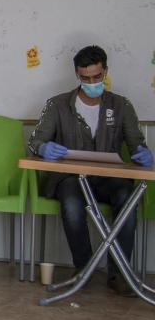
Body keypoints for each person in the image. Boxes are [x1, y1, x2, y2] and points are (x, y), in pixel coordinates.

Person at [28, 45, 152, 296]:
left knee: (126, 200)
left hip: (110, 178)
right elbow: (35, 140)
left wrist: (143, 153)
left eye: (97, 77)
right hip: (70, 178)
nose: (92, 82)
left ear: (105, 71)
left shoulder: (121, 106)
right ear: (77, 74)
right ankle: (83, 268)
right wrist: (43, 148)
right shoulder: (58, 105)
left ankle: (119, 274)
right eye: (85, 78)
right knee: (72, 204)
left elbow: (137, 143)